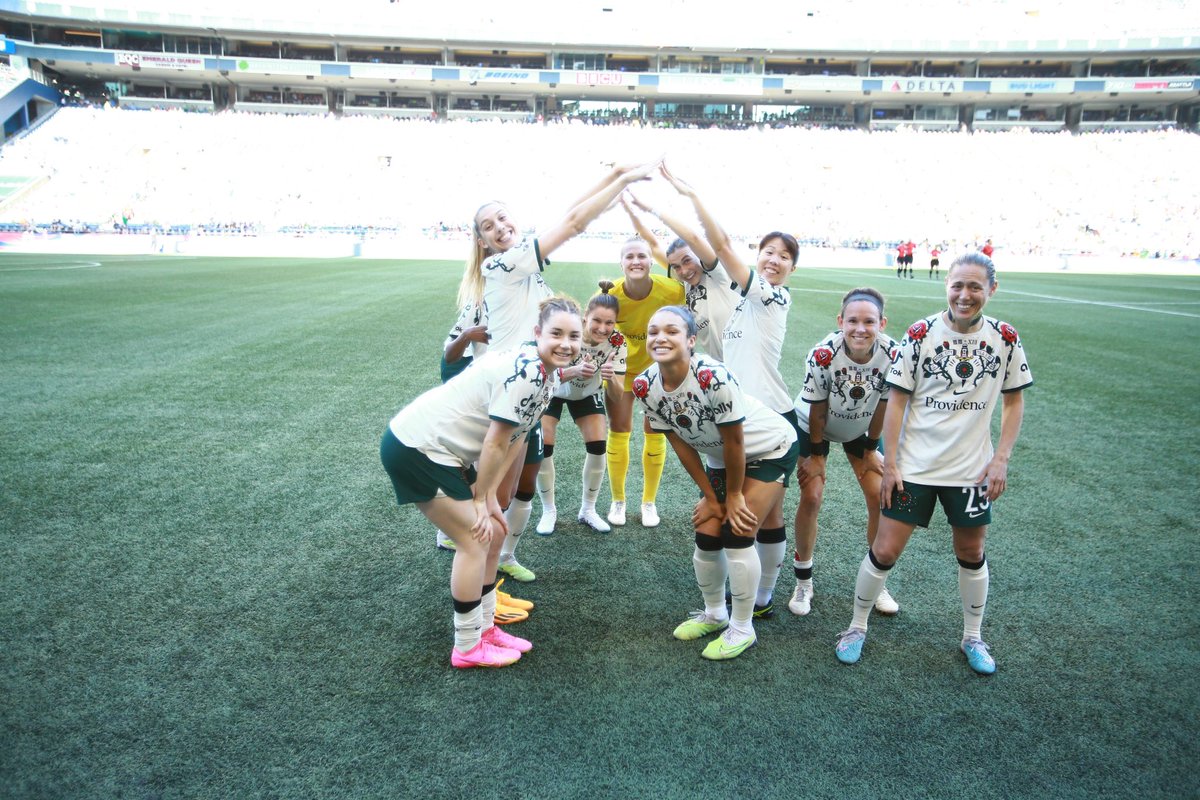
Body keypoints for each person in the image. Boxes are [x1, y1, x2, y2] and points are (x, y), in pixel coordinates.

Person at [834, 253, 1032, 675]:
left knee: (972, 550)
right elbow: (897, 400)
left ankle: (972, 637)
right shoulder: (921, 333)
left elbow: (1014, 401)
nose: (965, 295)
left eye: (975, 287)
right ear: (947, 285)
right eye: (958, 285)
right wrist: (892, 462)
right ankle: (855, 627)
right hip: (915, 469)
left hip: (972, 470)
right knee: (885, 549)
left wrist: (1001, 458)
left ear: (991, 290)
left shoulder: (1006, 337)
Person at [461, 161, 658, 580]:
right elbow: (572, 221)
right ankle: (480, 597)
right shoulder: (503, 264)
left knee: (508, 492)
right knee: (493, 497)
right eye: (488, 226)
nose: (499, 226)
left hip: (527, 391)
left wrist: (611, 177)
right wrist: (622, 181)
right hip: (511, 389)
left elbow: (568, 212)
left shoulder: (521, 267)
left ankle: (493, 578)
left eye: (502, 217)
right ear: (481, 242)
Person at [380, 297, 584, 668]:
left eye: (574, 335)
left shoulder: (547, 374)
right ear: (537, 333)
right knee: (474, 540)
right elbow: (493, 441)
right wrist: (479, 502)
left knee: (493, 530)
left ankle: (486, 628)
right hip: (418, 448)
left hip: (441, 451)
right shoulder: (526, 371)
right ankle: (468, 647)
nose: (566, 343)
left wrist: (488, 497)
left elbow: (517, 436)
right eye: (556, 333)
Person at [660, 163, 798, 618]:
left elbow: (715, 244)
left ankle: (757, 601)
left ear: (791, 268)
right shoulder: (742, 302)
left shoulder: (772, 297)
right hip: (732, 417)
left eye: (784, 256)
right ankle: (734, 605)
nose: (773, 260)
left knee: (750, 522)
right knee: (731, 519)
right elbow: (709, 253)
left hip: (771, 419)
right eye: (768, 252)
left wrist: (688, 192)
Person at [635, 306, 798, 660]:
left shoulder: (712, 377)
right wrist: (711, 497)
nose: (660, 337)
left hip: (770, 447)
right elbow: (679, 442)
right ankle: (714, 614)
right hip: (722, 458)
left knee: (737, 530)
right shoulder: (644, 386)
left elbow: (736, 442)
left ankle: (743, 628)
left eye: (672, 331)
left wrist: (735, 495)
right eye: (653, 331)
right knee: (708, 530)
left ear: (691, 340)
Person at [789, 287, 901, 618]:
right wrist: (818, 456)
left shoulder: (894, 353)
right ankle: (803, 582)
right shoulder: (823, 353)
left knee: (880, 496)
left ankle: (877, 582)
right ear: (841, 321)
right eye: (852, 320)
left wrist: (869, 449)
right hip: (814, 426)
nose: (860, 329)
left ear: (882, 322)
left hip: (860, 429)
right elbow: (818, 408)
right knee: (812, 496)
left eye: (869, 321)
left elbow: (883, 404)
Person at [604, 233, 685, 527]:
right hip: (622, 369)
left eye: (641, 256)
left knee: (655, 432)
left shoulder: (673, 291)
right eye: (630, 256)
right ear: (621, 262)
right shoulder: (610, 293)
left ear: (651, 260)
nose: (636, 261)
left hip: (657, 372)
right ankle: (618, 500)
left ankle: (648, 502)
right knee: (619, 430)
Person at [535, 282, 628, 535]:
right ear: (585, 317)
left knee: (598, 446)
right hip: (554, 389)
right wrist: (573, 371)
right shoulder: (570, 331)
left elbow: (617, 396)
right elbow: (544, 370)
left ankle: (588, 509)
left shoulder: (618, 342)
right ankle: (548, 510)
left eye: (609, 323)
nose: (602, 328)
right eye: (596, 321)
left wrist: (611, 378)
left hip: (587, 393)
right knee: (545, 445)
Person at [620, 192, 735, 359]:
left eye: (687, 261)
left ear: (698, 255)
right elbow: (653, 244)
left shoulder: (718, 275)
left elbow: (693, 238)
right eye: (676, 267)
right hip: (723, 367)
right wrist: (630, 210)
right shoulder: (685, 284)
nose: (684, 271)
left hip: (745, 365)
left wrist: (652, 209)